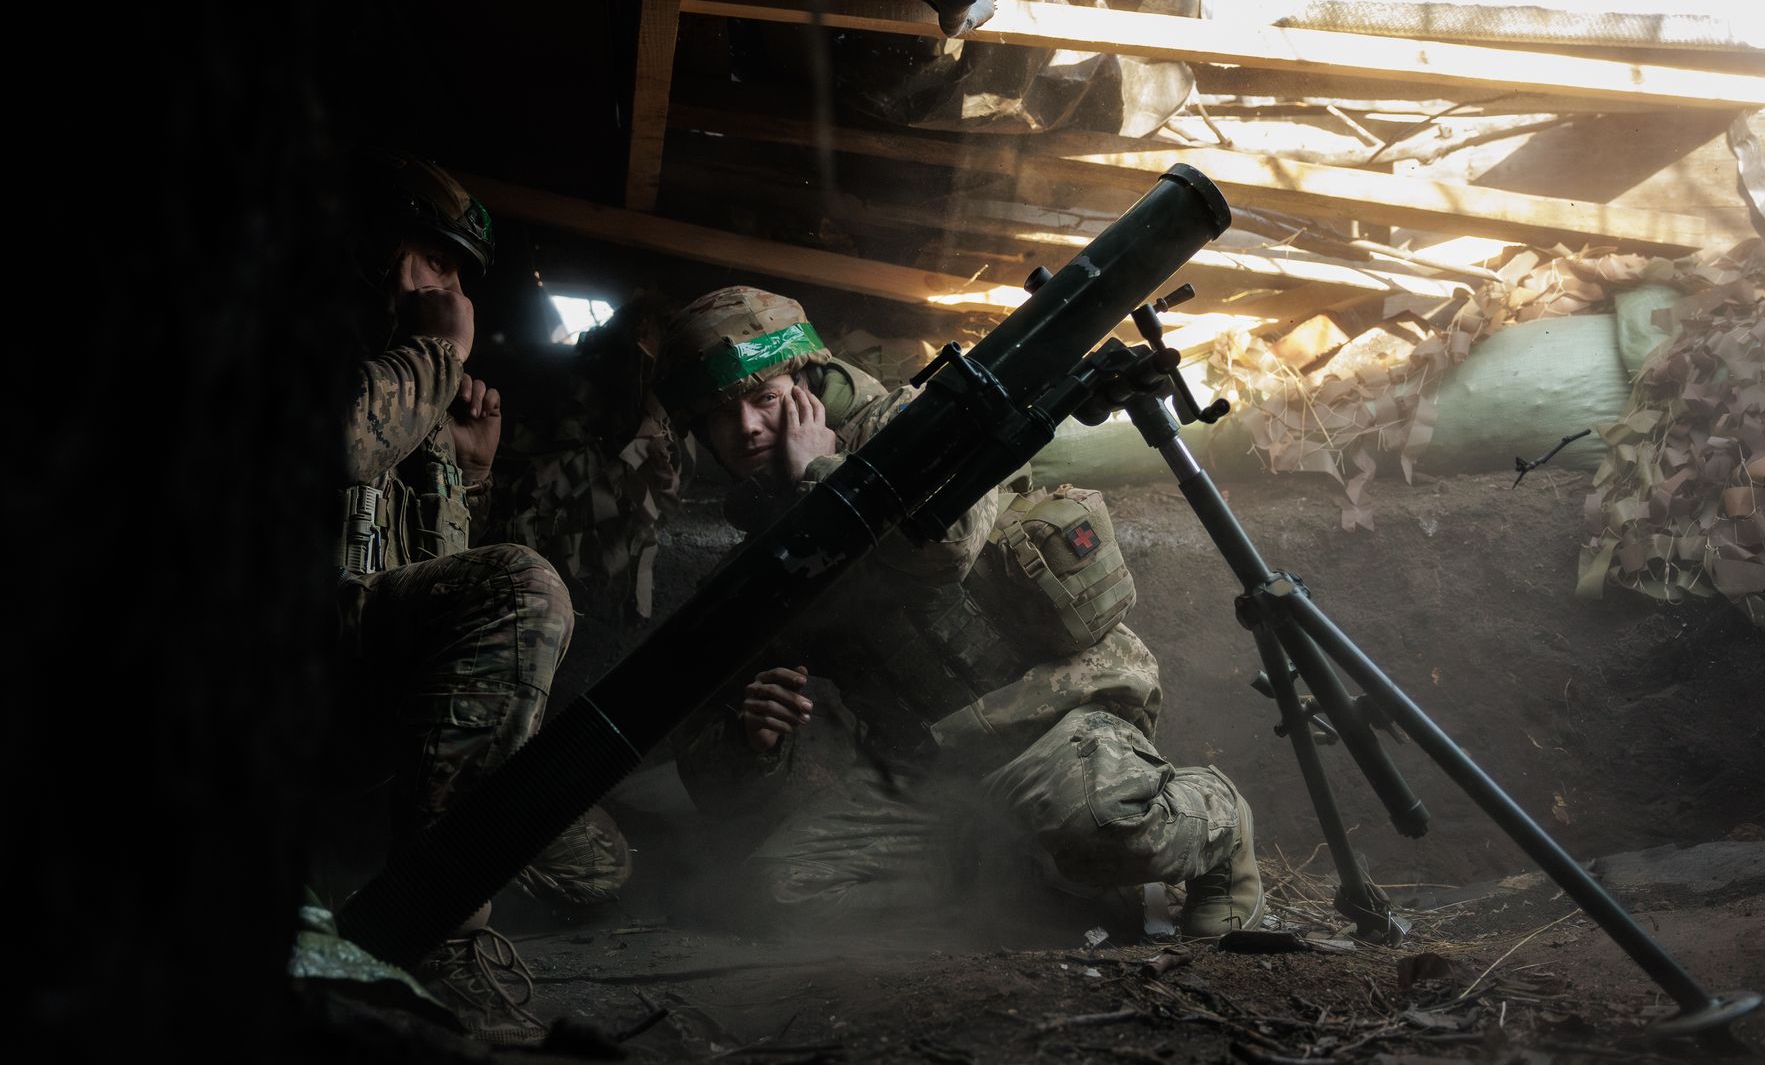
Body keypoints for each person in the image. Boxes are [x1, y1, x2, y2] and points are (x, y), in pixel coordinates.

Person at [659, 285, 1264, 937]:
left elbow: (943, 549)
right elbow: (714, 750)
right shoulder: (766, 538)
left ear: (808, 383)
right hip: (933, 764)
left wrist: (823, 477)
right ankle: (1019, 879)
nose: (747, 426)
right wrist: (755, 739)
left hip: (1046, 714)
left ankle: (1219, 819)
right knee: (773, 893)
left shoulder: (913, 426)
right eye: (722, 415)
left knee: (1114, 836)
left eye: (765, 399)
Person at [332, 153, 629, 1043]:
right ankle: (430, 929)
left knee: (595, 864)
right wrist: (440, 350)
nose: (439, 289)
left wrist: (466, 473)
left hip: (369, 683)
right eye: (430, 259)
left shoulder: (407, 384)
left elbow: (429, 587)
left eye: (453, 273)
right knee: (525, 584)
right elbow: (337, 448)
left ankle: (366, 868)